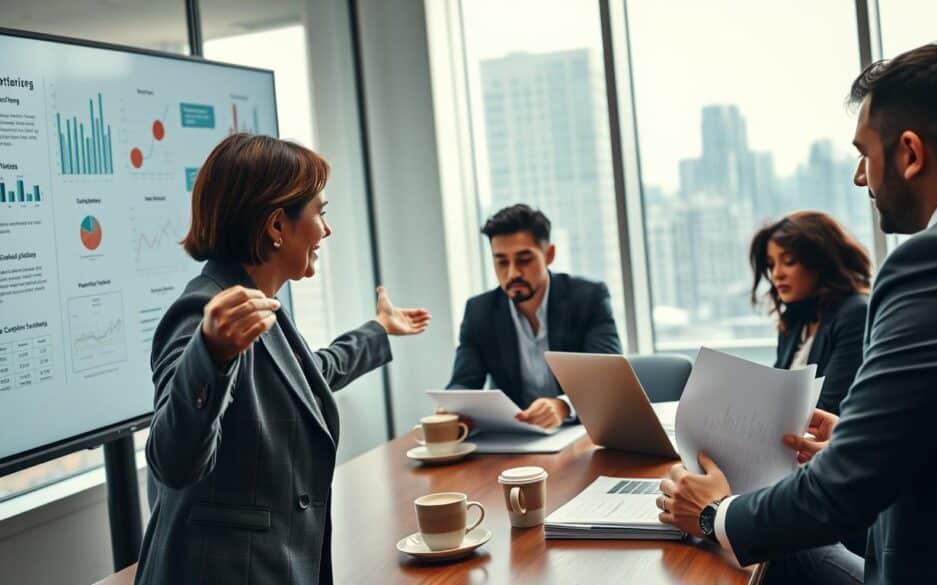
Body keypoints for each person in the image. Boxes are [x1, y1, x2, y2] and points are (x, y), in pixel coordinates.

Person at [657, 41, 937, 584]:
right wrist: (859, 432)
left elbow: (843, 494)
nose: (860, 178)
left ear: (910, 153)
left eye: (864, 154)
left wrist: (715, 514)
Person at [135, 134, 430, 585]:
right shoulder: (205, 311)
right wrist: (209, 354)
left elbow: (307, 377)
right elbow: (171, 461)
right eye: (320, 214)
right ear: (276, 226)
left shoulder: (260, 303)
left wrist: (378, 332)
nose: (325, 231)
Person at [446, 204, 621, 429]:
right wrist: (452, 407)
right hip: (517, 439)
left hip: (582, 433)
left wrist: (563, 406)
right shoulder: (479, 312)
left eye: (524, 260)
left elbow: (607, 378)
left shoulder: (588, 298)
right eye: (501, 262)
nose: (512, 273)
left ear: (549, 255)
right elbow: (463, 382)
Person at [749, 211, 871, 415]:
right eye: (771, 265)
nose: (777, 274)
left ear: (820, 262)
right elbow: (774, 394)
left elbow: (829, 408)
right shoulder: (793, 320)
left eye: (788, 261)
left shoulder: (855, 313)